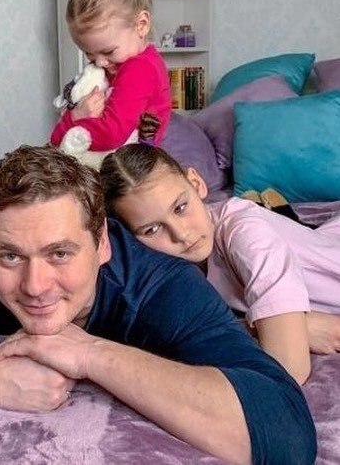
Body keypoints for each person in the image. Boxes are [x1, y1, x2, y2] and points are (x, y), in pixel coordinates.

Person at [0, 145, 316, 464]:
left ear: (103, 243)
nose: (35, 286)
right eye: (10, 256)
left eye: (60, 253)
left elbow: (285, 432)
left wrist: (91, 353)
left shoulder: (161, 282)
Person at [100, 142, 340, 385]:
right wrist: (276, 327)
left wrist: (281, 330)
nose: (181, 234)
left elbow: (288, 371)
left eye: (180, 208)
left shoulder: (246, 234)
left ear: (196, 183)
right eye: (152, 229)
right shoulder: (164, 270)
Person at [50, 0, 172, 157]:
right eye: (89, 54)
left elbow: (111, 133)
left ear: (141, 25)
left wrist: (71, 122)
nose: (99, 62)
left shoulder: (140, 69)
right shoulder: (125, 63)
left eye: (108, 51)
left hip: (128, 166)